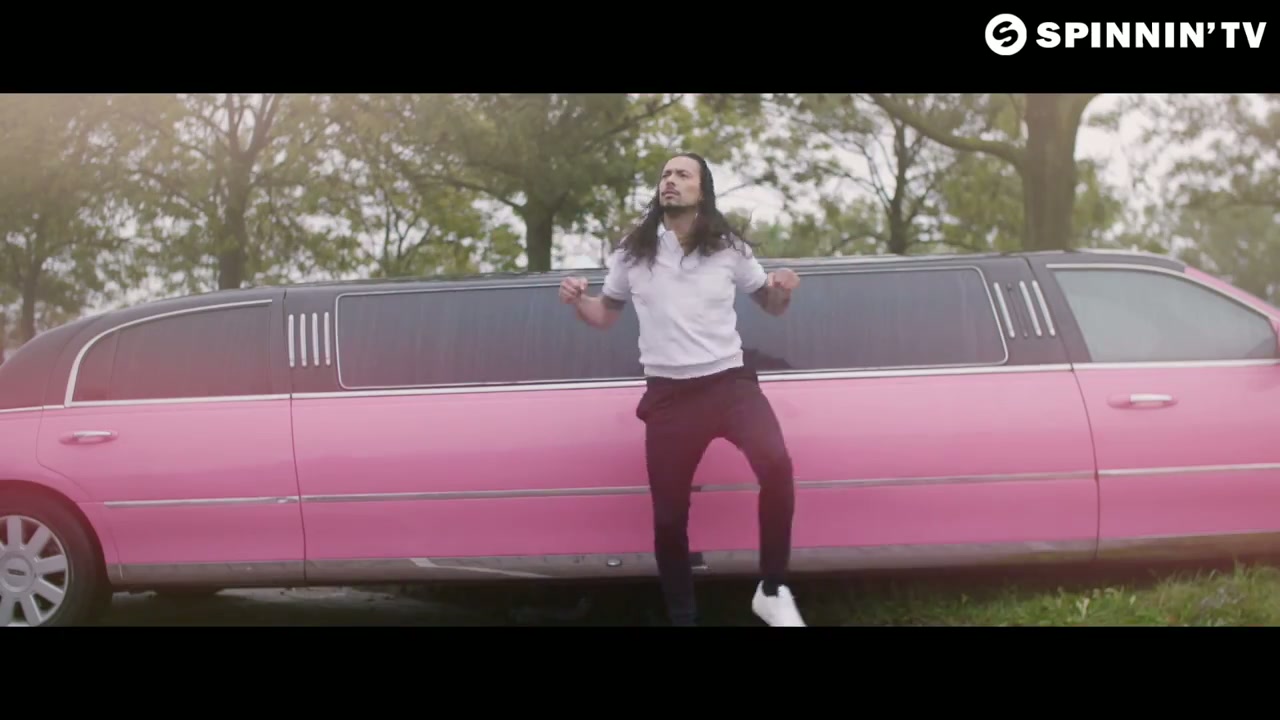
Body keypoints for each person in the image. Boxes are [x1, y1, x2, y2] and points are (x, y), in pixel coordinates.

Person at [558, 152, 805, 627]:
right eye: (665, 175)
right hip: (670, 395)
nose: (670, 180)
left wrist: (784, 287)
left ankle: (773, 589)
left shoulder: (729, 248)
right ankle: (683, 617)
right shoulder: (633, 252)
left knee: (777, 466)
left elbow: (771, 305)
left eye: (682, 174)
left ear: (702, 190)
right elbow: (604, 315)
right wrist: (578, 301)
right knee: (670, 518)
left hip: (730, 384)